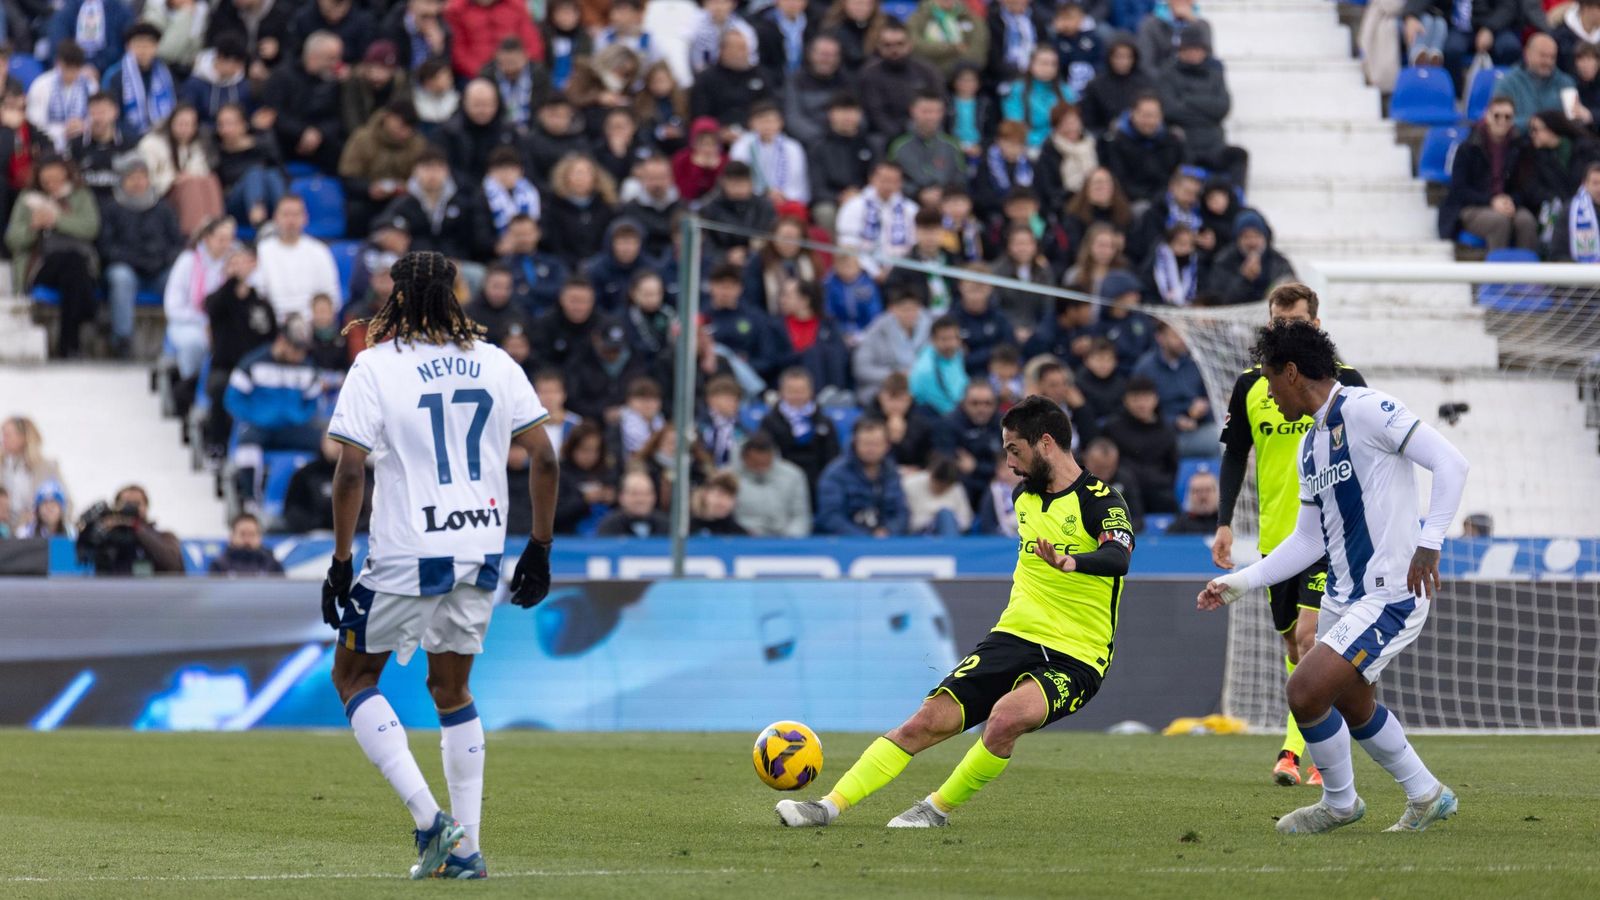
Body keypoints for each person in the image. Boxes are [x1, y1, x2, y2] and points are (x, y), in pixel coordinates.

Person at [777, 396, 1133, 828]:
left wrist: (1072, 561)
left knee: (1005, 719)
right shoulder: (1024, 498)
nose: (1009, 464)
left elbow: (1118, 556)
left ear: (1045, 444)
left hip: (1077, 654)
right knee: (924, 722)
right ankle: (827, 807)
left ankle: (935, 809)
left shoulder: (1101, 500)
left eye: (1014, 451)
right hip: (1014, 636)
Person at [320, 250, 558, 880]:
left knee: (352, 676)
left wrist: (341, 561)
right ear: (455, 294)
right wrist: (539, 545)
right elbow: (545, 458)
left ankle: (431, 822)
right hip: (482, 546)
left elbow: (350, 469)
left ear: (395, 298)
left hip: (406, 550)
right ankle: (468, 851)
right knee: (451, 689)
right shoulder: (498, 362)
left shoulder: (375, 365)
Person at [1200, 318, 1470, 835]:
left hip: (1390, 594)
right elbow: (1308, 540)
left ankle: (1341, 803)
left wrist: (1430, 541)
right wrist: (1241, 582)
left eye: (1270, 380)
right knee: (1351, 700)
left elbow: (1450, 462)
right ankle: (1427, 794)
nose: (1268, 393)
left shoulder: (1368, 409)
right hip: (1343, 598)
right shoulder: (1311, 445)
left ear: (1293, 373)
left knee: (1304, 691)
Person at [1214, 284, 1369, 786]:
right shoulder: (1252, 385)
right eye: (1277, 325)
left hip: (1332, 539)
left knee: (1311, 640)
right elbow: (1236, 453)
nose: (1285, 333)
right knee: (1293, 649)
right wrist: (1223, 521)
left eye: (1296, 324)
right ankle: (1307, 746)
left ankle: (1304, 754)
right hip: (1279, 539)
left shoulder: (1346, 383)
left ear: (1316, 326)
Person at [225, 314, 328, 505]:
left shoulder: (307, 368)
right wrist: (255, 416)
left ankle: (319, 501)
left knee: (330, 445)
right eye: (296, 348)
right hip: (260, 428)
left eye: (303, 349)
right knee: (246, 444)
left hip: (294, 428)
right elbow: (233, 398)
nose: (301, 354)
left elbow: (314, 403)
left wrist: (300, 416)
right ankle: (251, 501)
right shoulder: (253, 362)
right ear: (282, 341)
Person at [6, 157, 101, 358]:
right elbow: (12, 240)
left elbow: (91, 228)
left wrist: (56, 220)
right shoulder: (27, 199)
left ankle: (68, 345)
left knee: (73, 267)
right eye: (46, 181)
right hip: (42, 264)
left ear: (66, 175)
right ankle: (74, 337)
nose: (52, 185)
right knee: (72, 264)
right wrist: (33, 227)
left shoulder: (81, 196)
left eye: (56, 179)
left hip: (78, 264)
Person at [101, 155, 182, 358]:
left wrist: (161, 259)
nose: (138, 182)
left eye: (142, 177)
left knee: (177, 278)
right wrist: (136, 260)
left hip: (158, 270)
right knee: (121, 278)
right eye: (132, 178)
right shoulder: (111, 208)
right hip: (127, 267)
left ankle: (176, 341)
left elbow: (177, 244)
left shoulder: (163, 208)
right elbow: (106, 247)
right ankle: (122, 339)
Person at [1439, 96, 1537, 251]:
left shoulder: (1520, 147)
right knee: (1499, 222)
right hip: (1472, 206)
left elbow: (1525, 186)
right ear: (1487, 116)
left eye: (1508, 117)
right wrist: (1491, 201)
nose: (1502, 121)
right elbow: (1459, 190)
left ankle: (1526, 273)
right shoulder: (1468, 147)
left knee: (1527, 222)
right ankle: (1497, 274)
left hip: (1507, 204)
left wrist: (1511, 200)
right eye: (1497, 115)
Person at [261, 31, 347, 173]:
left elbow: (338, 116)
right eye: (331, 59)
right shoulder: (281, 76)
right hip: (287, 142)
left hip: (321, 142)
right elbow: (273, 114)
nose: (337, 64)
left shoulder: (334, 81)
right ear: (313, 57)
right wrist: (302, 132)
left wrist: (319, 133)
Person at [338, 100, 427, 236]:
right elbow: (348, 175)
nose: (404, 132)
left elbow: (422, 176)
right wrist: (369, 188)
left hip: (403, 198)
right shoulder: (362, 138)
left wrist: (407, 186)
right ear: (388, 118)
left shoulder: (418, 144)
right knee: (356, 210)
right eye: (401, 125)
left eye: (409, 128)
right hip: (366, 197)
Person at [813, 417, 908, 536]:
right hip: (845, 542)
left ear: (887, 446)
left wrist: (889, 531)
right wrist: (864, 536)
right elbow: (830, 517)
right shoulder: (835, 474)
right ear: (855, 443)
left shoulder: (891, 472)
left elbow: (901, 512)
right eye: (866, 444)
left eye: (876, 444)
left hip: (885, 541)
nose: (871, 449)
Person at [1132, 320, 1214, 457]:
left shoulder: (1194, 364)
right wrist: (1175, 421)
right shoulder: (1145, 368)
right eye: (1176, 335)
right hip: (1159, 435)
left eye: (1185, 334)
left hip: (1196, 429)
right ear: (1160, 338)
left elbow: (1208, 399)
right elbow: (1137, 410)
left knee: (1228, 436)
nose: (1182, 340)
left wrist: (1203, 409)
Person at [255, 194, 341, 321]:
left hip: (312, 325)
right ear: (275, 218)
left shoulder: (319, 251)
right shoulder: (263, 251)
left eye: (296, 215)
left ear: (305, 218)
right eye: (286, 214)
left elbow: (331, 296)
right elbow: (258, 292)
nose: (291, 220)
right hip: (274, 325)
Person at [759, 367, 842, 496]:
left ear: (811, 392)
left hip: (818, 484)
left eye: (801, 391)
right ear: (781, 392)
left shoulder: (824, 421)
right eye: (792, 391)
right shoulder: (770, 422)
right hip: (781, 485)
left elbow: (832, 456)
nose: (797, 396)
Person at [1102, 376, 1178, 513]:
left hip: (1157, 491)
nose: (1141, 404)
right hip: (1124, 490)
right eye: (1136, 399)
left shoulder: (1166, 430)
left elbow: (1172, 466)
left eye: (1146, 398)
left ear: (1156, 399)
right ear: (1125, 400)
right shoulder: (1113, 428)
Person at [859, 21, 944, 143]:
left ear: (909, 44)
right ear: (879, 47)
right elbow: (876, 114)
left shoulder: (927, 71)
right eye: (887, 45)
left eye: (900, 44)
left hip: (926, 131)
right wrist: (901, 138)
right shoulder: (870, 75)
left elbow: (939, 103)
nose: (894, 50)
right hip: (888, 137)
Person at [1097, 93, 1185, 206]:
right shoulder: (1116, 142)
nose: (1149, 121)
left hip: (1166, 199)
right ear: (1132, 113)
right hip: (1133, 201)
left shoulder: (1173, 140)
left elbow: (1180, 173)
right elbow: (1120, 181)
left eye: (1154, 116)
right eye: (1145, 115)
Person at [836, 161, 920, 280]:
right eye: (884, 180)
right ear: (872, 179)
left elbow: (914, 244)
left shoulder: (911, 210)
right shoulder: (854, 206)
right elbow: (848, 244)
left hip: (901, 273)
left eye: (894, 181)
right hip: (861, 272)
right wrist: (874, 272)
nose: (888, 186)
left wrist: (893, 271)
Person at [78, 484, 184, 575]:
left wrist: (137, 528)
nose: (131, 508)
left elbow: (174, 564)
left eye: (137, 503)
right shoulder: (109, 536)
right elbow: (85, 556)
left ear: (146, 507)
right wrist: (96, 527)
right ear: (116, 507)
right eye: (126, 503)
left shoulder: (164, 536)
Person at [853, 289, 930, 403]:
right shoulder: (876, 331)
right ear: (892, 309)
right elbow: (861, 368)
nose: (910, 314)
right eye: (905, 310)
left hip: (919, 386)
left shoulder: (929, 328)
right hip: (882, 387)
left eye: (914, 309)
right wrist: (895, 376)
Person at [1204, 210, 1296, 305]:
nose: (1252, 242)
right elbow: (1218, 300)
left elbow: (1293, 289)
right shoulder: (1224, 261)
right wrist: (1245, 279)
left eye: (1256, 236)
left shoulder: (1278, 261)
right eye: (1246, 237)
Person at [937, 380, 1003, 510]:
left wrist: (976, 467)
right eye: (975, 403)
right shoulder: (949, 424)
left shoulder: (1004, 424)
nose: (981, 409)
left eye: (987, 404)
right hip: (961, 484)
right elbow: (948, 463)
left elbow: (1008, 466)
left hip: (995, 482)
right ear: (964, 404)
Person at [732, 431, 813, 536]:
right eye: (755, 463)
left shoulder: (793, 475)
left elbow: (801, 516)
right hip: (743, 538)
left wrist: (790, 538)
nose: (761, 467)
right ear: (743, 458)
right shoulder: (728, 478)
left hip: (785, 539)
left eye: (765, 463)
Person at [888, 91, 966, 196]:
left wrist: (943, 194)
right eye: (925, 111)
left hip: (946, 203)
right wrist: (918, 193)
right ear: (913, 111)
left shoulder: (952, 144)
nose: (931, 117)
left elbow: (960, 177)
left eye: (936, 112)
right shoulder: (898, 145)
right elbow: (890, 179)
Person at [26, 42, 98, 154]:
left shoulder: (90, 86)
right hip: (49, 143)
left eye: (76, 69)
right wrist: (62, 131)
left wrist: (84, 125)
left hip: (82, 143)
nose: (71, 74)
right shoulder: (41, 85)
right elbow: (34, 121)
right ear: (58, 63)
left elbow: (96, 116)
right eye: (67, 68)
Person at [1493, 33, 1574, 131]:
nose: (1548, 62)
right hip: (1518, 141)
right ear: (1527, 54)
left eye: (1552, 57)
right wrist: (1531, 123)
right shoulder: (1507, 83)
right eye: (1543, 56)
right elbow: (1497, 121)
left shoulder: (1565, 83)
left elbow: (1572, 121)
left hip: (1557, 142)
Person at [1, 417, 64, 531]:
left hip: (37, 536)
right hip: (5, 535)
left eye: (7, 435)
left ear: (23, 438)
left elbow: (65, 503)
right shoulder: (2, 467)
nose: (3, 440)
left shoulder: (47, 468)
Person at [902, 455, 973, 536]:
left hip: (950, 530)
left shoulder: (957, 489)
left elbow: (966, 520)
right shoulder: (910, 484)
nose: (940, 489)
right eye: (938, 485)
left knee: (946, 515)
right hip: (919, 532)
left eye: (945, 487)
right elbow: (904, 517)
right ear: (931, 476)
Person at [595, 468, 669, 537]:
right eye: (634, 494)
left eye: (646, 493)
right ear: (622, 497)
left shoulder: (666, 525)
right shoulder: (609, 526)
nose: (640, 499)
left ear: (654, 497)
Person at [207, 513, 285, 575]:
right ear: (232, 537)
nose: (247, 540)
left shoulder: (273, 566)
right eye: (242, 534)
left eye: (252, 534)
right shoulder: (219, 566)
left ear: (260, 537)